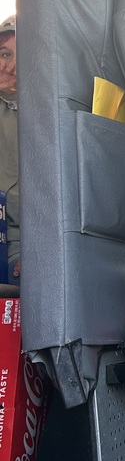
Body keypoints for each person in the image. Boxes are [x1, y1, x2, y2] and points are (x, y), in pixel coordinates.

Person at [0, 16, 19, 280]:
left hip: (23, 246)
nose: (11, 66)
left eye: (21, 55)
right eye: (5, 54)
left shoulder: (48, 113)